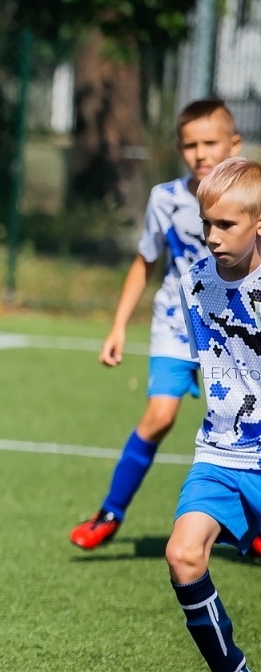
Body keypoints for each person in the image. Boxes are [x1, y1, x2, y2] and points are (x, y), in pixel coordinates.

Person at [70, 99, 243, 549]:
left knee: (244, 422)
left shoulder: (249, 203)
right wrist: (118, 326)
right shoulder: (165, 199)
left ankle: (249, 521)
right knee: (159, 417)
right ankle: (111, 511)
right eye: (190, 145)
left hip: (236, 334)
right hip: (176, 325)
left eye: (210, 143)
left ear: (234, 145)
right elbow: (145, 263)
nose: (200, 154)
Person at [161, 156, 261, 672]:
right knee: (183, 554)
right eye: (208, 224)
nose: (213, 237)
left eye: (227, 225)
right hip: (221, 455)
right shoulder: (195, 280)